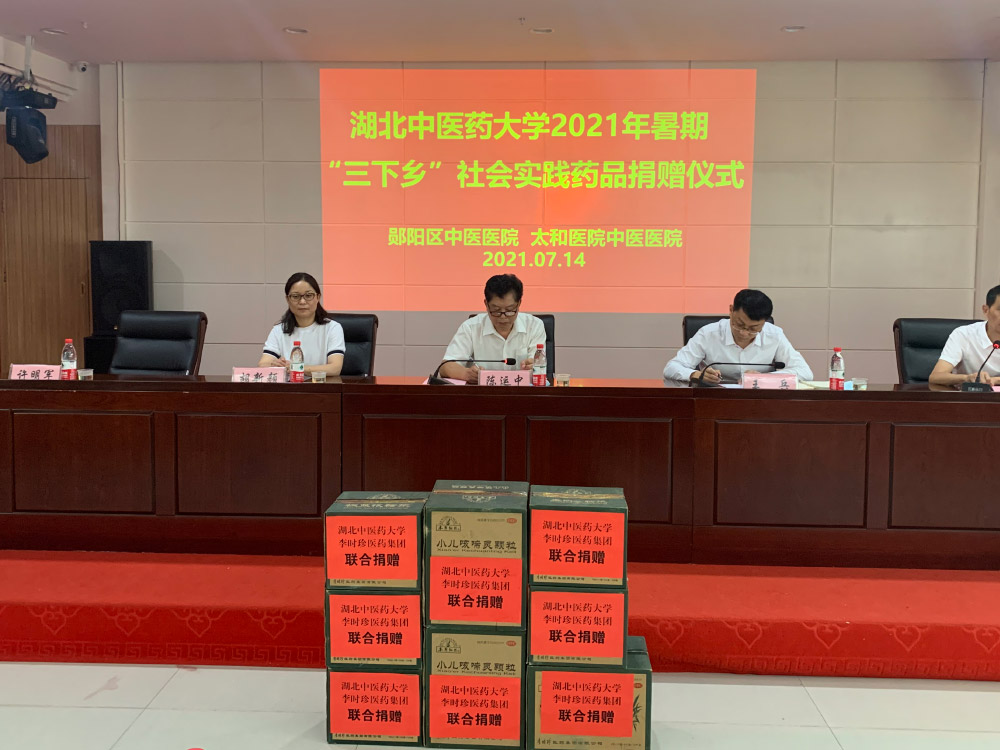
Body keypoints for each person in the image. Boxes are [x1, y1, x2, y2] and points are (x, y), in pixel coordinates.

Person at [663, 288, 813, 384]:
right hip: (714, 400)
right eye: (739, 324)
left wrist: (764, 378)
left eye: (753, 329)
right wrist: (696, 374)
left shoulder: (774, 335)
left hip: (760, 401)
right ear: (731, 310)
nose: (744, 333)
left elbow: (805, 372)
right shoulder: (708, 333)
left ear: (764, 322)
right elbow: (671, 367)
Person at [439, 274, 546, 384]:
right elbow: (445, 366)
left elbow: (537, 366)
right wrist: (467, 374)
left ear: (519, 303)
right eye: (496, 310)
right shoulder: (471, 327)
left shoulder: (534, 326)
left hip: (522, 393)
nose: (503, 317)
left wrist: (534, 367)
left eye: (509, 310)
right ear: (486, 304)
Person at [259, 272, 345, 377]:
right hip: (289, 386)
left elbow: (335, 368)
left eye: (308, 296)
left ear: (318, 297)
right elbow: (262, 365)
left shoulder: (332, 328)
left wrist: (295, 367)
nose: (302, 301)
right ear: (288, 299)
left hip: (321, 386)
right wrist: (274, 365)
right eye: (296, 296)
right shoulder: (279, 330)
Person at [929, 285, 1000, 387]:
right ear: (986, 310)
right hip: (970, 395)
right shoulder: (964, 334)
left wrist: (995, 380)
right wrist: (967, 378)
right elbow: (936, 376)